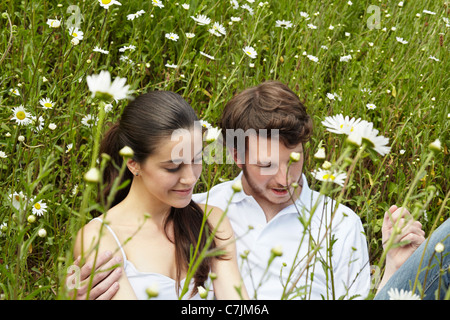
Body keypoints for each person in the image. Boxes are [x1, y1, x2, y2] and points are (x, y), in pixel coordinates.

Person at [68, 81, 435, 300]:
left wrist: (393, 268)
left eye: (294, 160)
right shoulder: (201, 207)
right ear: (234, 154)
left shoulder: (338, 222)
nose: (283, 178)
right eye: (266, 165)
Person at [71, 91, 248, 300]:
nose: (190, 178)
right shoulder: (100, 237)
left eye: (197, 159)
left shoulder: (212, 221)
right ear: (133, 163)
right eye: (173, 166)